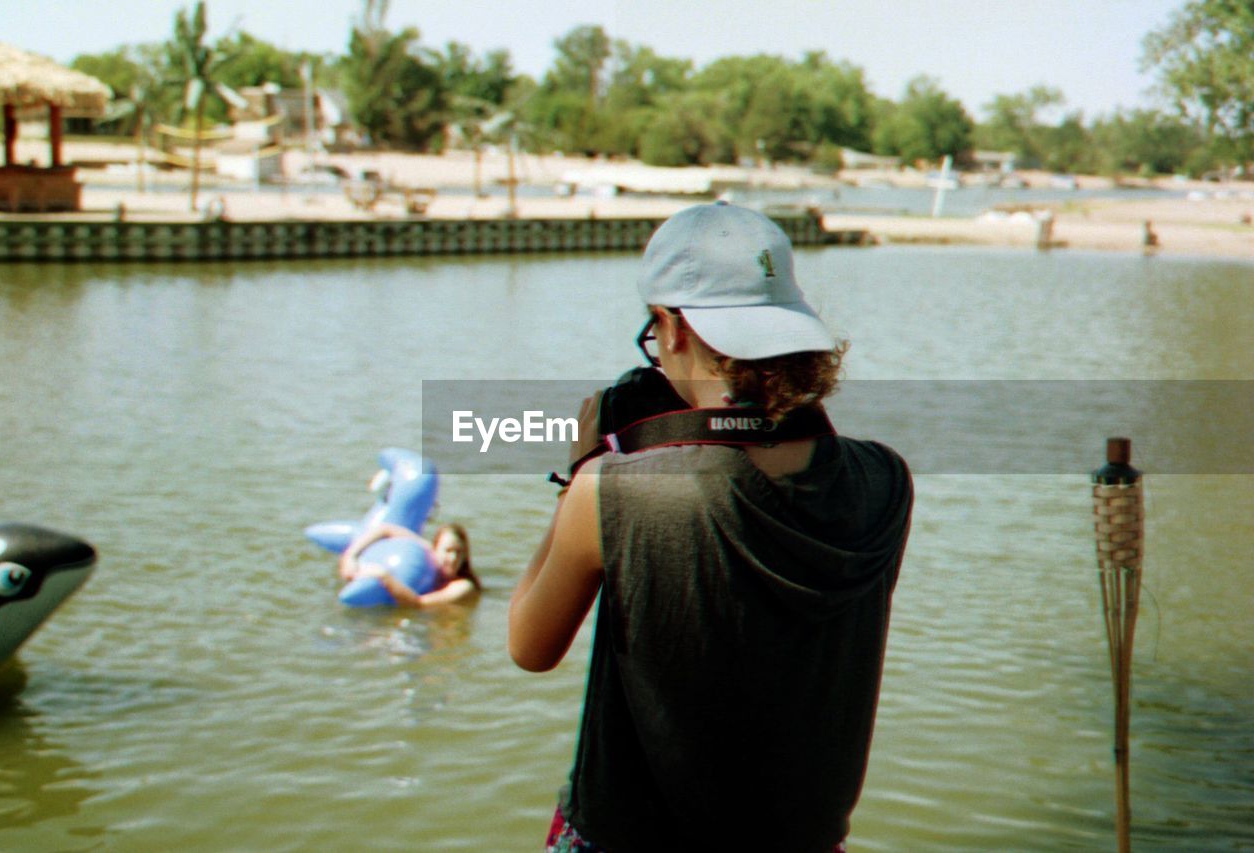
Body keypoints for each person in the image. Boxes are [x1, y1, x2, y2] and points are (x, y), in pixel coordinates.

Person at [508, 202, 914, 851]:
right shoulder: (884, 480)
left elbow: (530, 645)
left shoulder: (617, 491)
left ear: (671, 326)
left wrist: (585, 471)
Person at [340, 522, 481, 607]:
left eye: (459, 552)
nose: (453, 557)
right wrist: (350, 556)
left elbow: (418, 604)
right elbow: (386, 529)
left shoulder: (463, 587)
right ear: (435, 549)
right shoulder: (427, 552)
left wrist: (385, 577)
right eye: (448, 550)